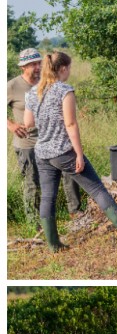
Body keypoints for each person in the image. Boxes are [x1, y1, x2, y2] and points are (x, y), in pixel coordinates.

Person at [23, 51, 117, 252]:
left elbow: (28, 123)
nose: (70, 72)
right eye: (70, 68)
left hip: (42, 152)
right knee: (97, 189)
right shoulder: (64, 90)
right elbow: (71, 124)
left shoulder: (33, 92)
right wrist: (78, 154)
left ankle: (53, 245)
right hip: (63, 151)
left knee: (48, 197)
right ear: (63, 68)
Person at [7, 47, 82, 227]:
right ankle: (36, 224)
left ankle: (76, 214)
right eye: (32, 64)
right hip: (27, 143)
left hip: (52, 141)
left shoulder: (45, 82)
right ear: (22, 67)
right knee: (33, 183)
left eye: (39, 63)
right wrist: (10, 125)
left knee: (70, 174)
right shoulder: (12, 86)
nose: (37, 67)